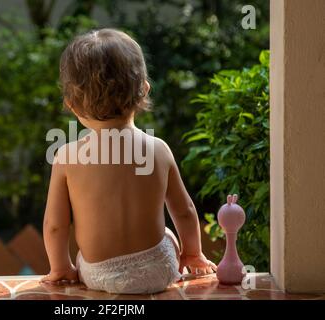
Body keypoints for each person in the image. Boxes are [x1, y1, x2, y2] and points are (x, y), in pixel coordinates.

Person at [41, 28, 217, 294]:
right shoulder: (159, 150)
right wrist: (192, 253)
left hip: (98, 275)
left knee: (84, 256)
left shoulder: (66, 157)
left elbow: (55, 226)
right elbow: (184, 211)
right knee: (167, 234)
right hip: (159, 270)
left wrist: (61, 268)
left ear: (72, 105)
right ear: (144, 90)